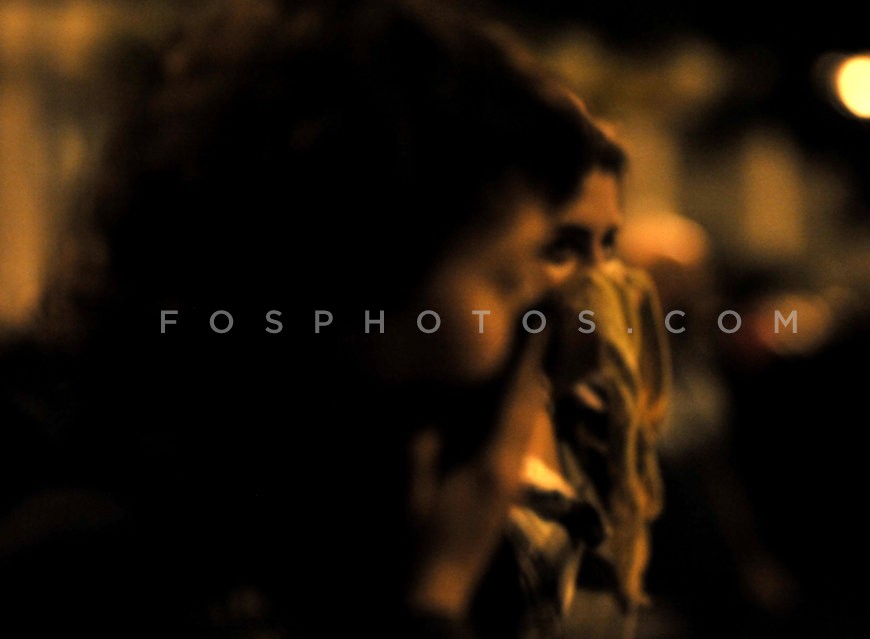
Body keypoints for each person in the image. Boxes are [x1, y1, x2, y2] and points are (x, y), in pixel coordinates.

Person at [0, 1, 605, 636]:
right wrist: (436, 597)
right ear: (354, 268)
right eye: (506, 277)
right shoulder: (96, 570)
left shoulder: (318, 527)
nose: (532, 325)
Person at [469, 123, 671, 639]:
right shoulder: (442, 450)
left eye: (609, 244)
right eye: (562, 247)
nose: (601, 278)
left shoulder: (593, 420)